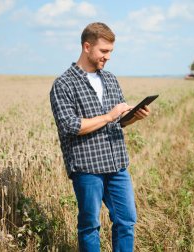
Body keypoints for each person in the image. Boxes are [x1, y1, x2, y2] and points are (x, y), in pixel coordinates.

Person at [50, 22, 150, 252]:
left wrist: (133, 116)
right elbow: (71, 126)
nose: (108, 57)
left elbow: (119, 120)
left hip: (117, 164)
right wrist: (108, 115)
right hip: (87, 167)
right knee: (90, 225)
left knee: (126, 220)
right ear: (87, 47)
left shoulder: (110, 79)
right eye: (103, 51)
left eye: (110, 52)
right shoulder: (64, 84)